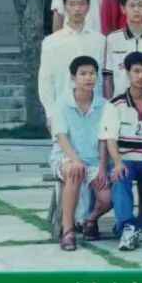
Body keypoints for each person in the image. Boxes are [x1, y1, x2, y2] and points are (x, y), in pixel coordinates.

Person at [102, 52, 142, 251]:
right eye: (136, 71)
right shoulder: (115, 104)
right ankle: (127, 228)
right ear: (127, 72)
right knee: (120, 176)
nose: (141, 76)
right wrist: (117, 162)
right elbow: (110, 139)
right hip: (125, 159)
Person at [49, 56, 111, 251]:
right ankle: (68, 232)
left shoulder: (104, 105)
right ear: (73, 77)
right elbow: (61, 137)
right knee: (75, 171)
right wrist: (76, 161)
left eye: (92, 73)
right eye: (83, 74)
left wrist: (102, 168)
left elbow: (105, 139)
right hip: (66, 158)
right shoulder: (62, 103)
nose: (88, 77)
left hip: (94, 161)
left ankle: (89, 220)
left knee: (107, 199)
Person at [38, 0, 105, 125]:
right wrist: (50, 113)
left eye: (81, 4)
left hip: (94, 111)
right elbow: (45, 80)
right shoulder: (51, 42)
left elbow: (103, 78)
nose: (77, 9)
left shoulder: (100, 41)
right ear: (64, 7)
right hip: (62, 111)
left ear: (88, 6)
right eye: (72, 4)